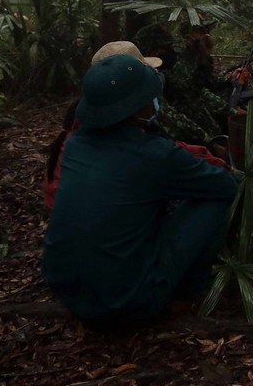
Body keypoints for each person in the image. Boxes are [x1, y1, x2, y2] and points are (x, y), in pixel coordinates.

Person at [42, 54, 238, 324]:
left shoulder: (74, 143)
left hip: (64, 288)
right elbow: (224, 185)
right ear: (136, 109)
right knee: (214, 202)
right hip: (126, 302)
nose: (155, 102)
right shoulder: (154, 154)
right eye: (151, 97)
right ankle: (184, 297)